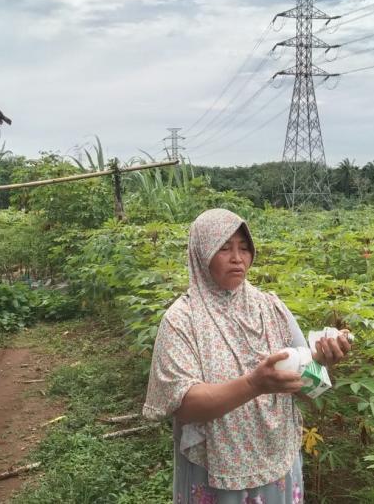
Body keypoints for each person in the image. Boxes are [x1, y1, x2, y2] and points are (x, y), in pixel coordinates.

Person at [143, 208, 352, 503]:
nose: (237, 258)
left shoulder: (271, 308)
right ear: (201, 254)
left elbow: (304, 381)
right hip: (215, 471)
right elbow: (184, 405)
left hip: (276, 461)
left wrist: (321, 361)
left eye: (244, 248)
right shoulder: (182, 319)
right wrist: (254, 384)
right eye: (224, 248)